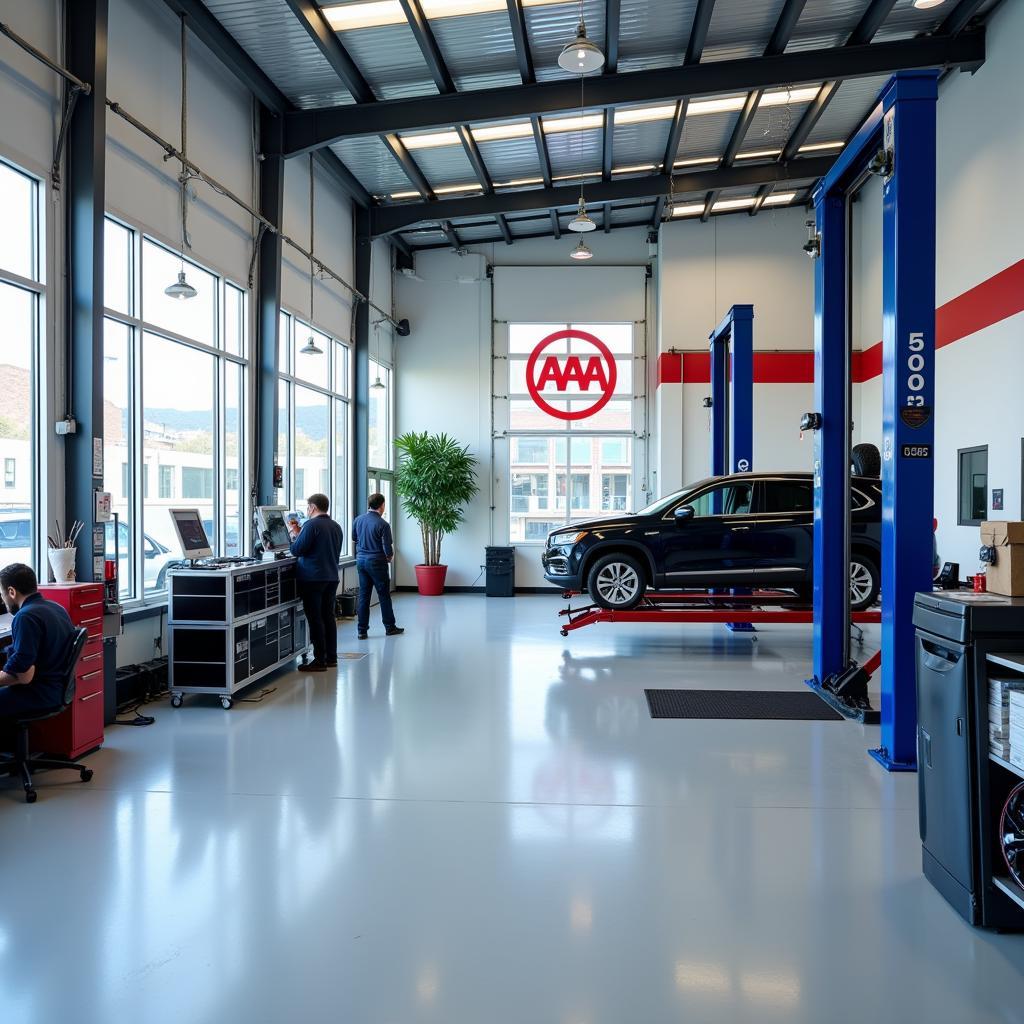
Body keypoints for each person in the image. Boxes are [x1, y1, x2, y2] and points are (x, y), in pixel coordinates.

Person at [0, 563, 76, 748]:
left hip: (39, 694)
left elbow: (23, 676)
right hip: (58, 690)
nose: (2, 600)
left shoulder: (25, 617)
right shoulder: (55, 607)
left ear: (11, 591)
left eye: (2, 594)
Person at [287, 493, 344, 672]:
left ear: (312, 507)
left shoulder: (310, 525)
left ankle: (319, 660)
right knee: (328, 616)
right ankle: (331, 657)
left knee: (315, 618)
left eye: (307, 506)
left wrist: (295, 534)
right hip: (331, 577)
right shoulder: (336, 526)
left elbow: (297, 550)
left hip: (312, 578)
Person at [353, 493, 403, 640]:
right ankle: (390, 627)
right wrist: (389, 557)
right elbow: (387, 547)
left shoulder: (358, 520)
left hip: (361, 561)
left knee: (363, 596)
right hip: (377, 562)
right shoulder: (383, 524)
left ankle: (362, 631)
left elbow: (354, 538)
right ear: (382, 505)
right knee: (384, 595)